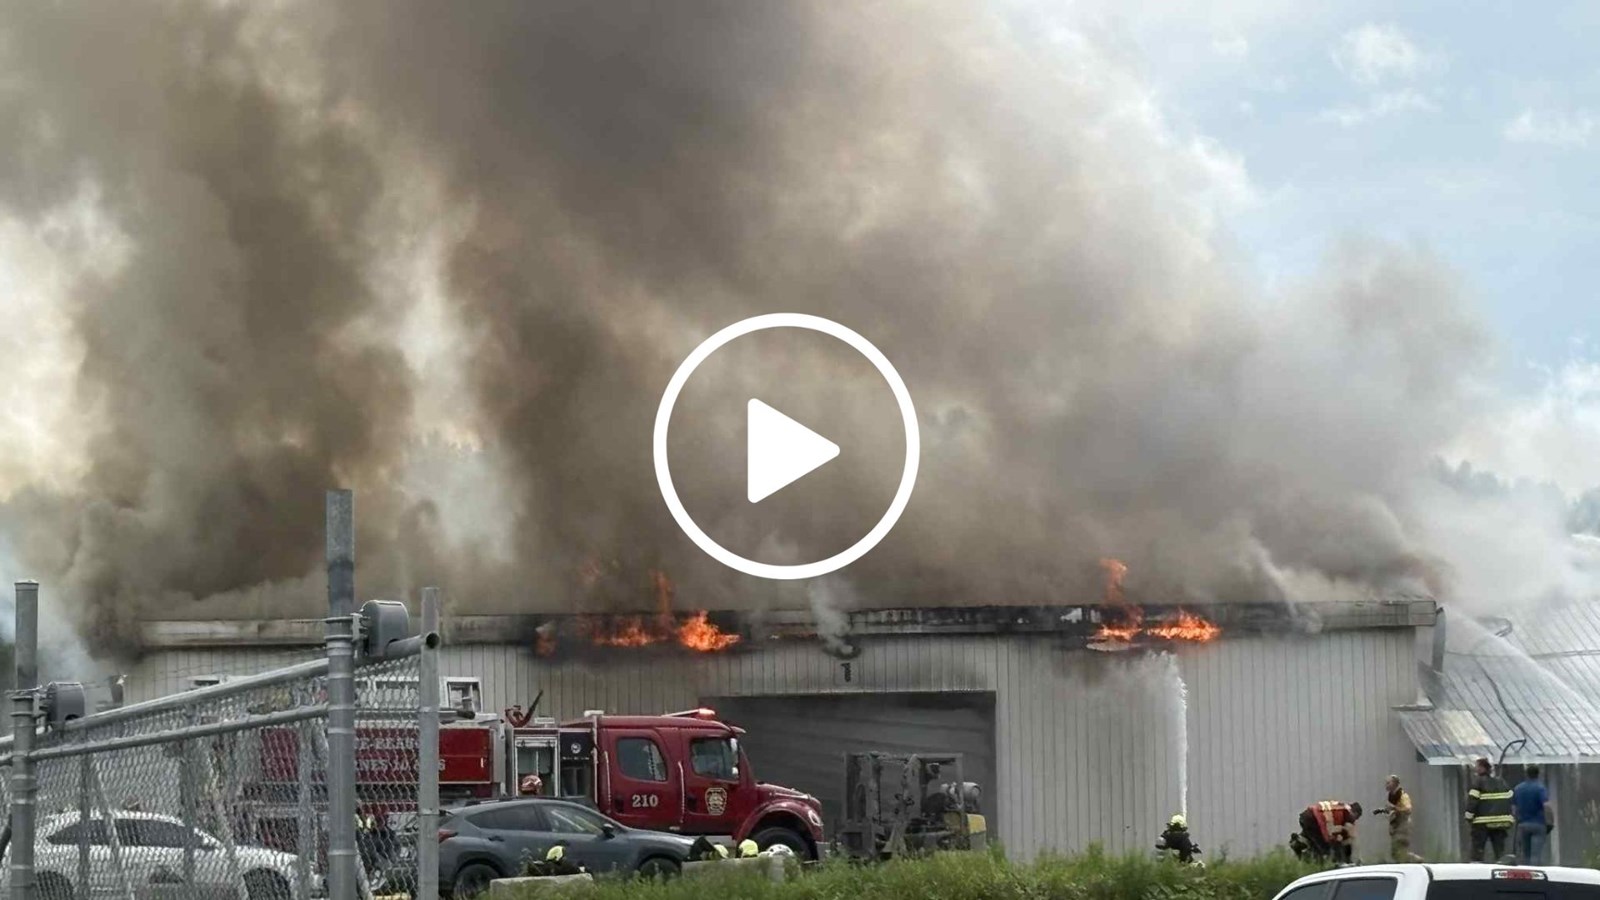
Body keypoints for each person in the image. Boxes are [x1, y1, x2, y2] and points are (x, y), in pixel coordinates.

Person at [1466, 757, 1515, 863]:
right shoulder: (1502, 782)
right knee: (1499, 851)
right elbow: (1510, 798)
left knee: (1478, 851)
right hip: (1501, 822)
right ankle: (1502, 866)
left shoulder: (1478, 783)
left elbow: (1472, 802)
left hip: (1482, 823)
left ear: (1483, 768)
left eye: (1477, 767)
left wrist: (1468, 817)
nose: (1475, 769)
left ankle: (1476, 870)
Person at [1376, 775, 1420, 862]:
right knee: (1395, 853)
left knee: (1399, 850)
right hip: (1395, 826)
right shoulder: (1391, 796)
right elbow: (1393, 810)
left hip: (1403, 825)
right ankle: (1412, 860)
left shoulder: (1402, 795)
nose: (1386, 785)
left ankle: (1416, 860)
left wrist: (1394, 808)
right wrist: (1383, 810)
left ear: (1395, 784)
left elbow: (1408, 809)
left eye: (1389, 783)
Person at [1512, 765, 1550, 865]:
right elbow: (1546, 806)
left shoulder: (1518, 789)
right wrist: (1550, 821)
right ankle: (1536, 875)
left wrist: (1517, 820)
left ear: (1526, 774)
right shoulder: (1540, 788)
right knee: (1536, 855)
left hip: (1522, 824)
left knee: (1525, 854)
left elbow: (1514, 808)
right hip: (1538, 824)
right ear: (1538, 774)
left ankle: (1525, 875)